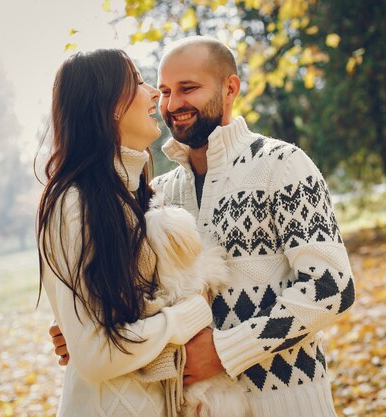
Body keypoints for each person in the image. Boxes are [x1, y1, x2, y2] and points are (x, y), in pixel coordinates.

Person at [51, 37, 355, 417]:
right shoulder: (156, 194)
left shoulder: (282, 164)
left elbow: (331, 287)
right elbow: (137, 297)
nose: (172, 104)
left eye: (188, 88)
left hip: (285, 402)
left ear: (230, 88)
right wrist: (86, 331)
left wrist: (226, 351)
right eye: (163, 91)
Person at [38, 48, 213, 417]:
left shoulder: (139, 196)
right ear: (106, 106)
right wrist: (187, 317)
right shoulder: (73, 204)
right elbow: (95, 356)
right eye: (137, 82)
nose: (155, 95)